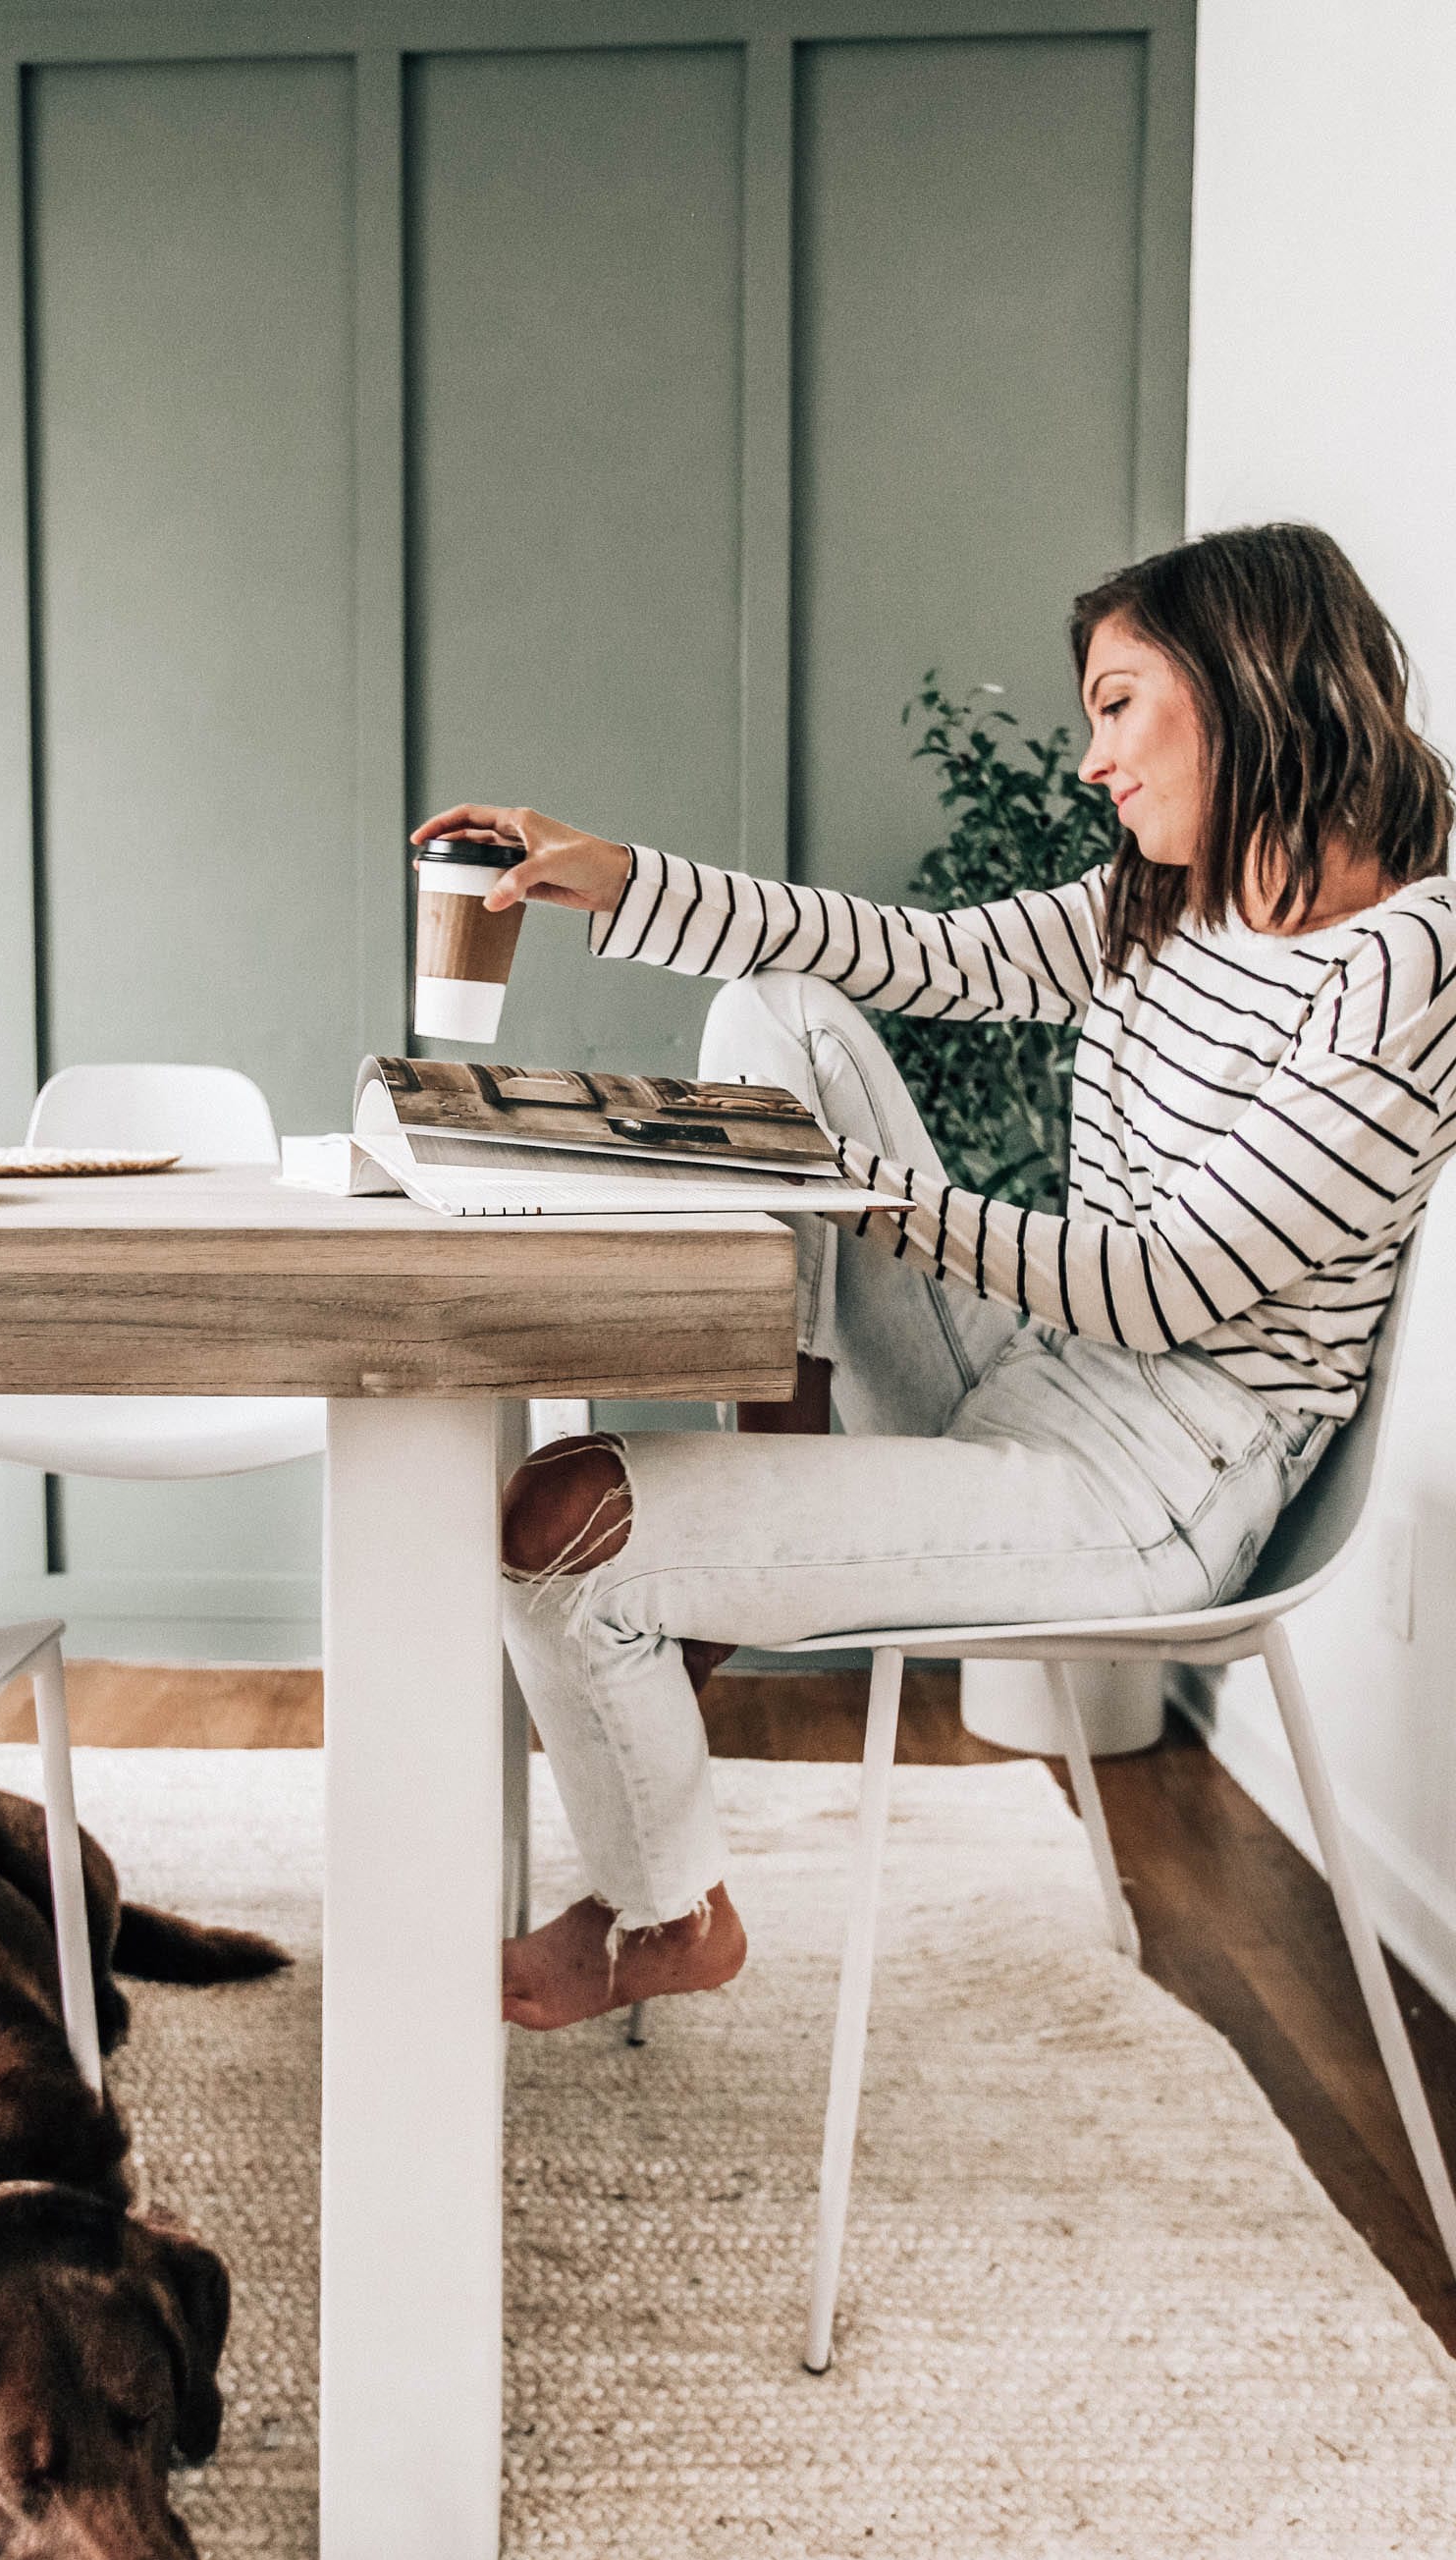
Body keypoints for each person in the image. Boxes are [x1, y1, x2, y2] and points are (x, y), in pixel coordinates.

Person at [412, 522, 1456, 2034]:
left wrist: (865, 1201)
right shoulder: (1170, 897)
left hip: (1156, 1488)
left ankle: (668, 1915)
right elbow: (903, 953)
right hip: (1031, 1370)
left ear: (1246, 685)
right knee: (783, 1011)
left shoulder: (1409, 958)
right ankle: (785, 1440)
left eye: (1116, 705)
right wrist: (616, 878)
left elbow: (1177, 1286)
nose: (1092, 759)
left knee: (564, 1528)